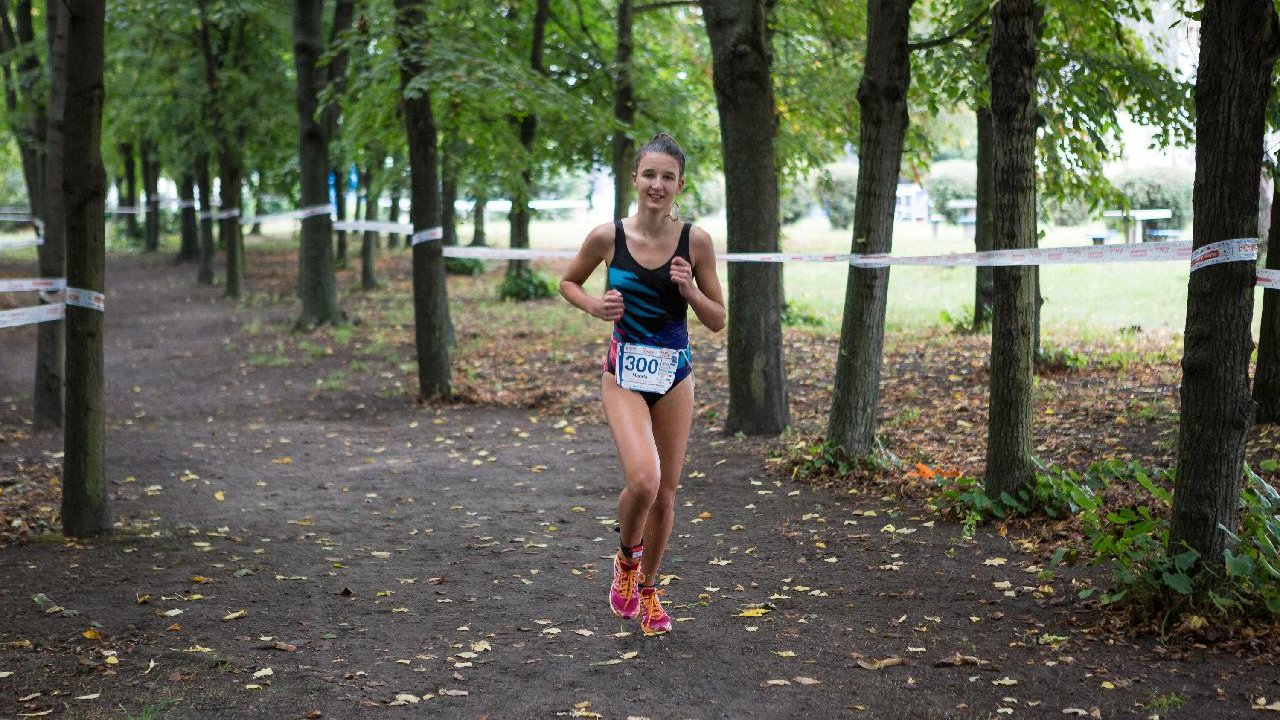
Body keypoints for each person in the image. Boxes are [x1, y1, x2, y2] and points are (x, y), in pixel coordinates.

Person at [559, 133, 726, 636]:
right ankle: (626, 560)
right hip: (624, 371)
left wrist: (690, 288)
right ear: (634, 179)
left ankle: (648, 587)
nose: (657, 184)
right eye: (649, 174)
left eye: (667, 177)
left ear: (680, 184)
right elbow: (569, 281)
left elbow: (718, 319)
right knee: (645, 480)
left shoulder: (694, 241)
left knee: (668, 494)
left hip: (675, 373)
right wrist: (596, 306)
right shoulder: (606, 237)